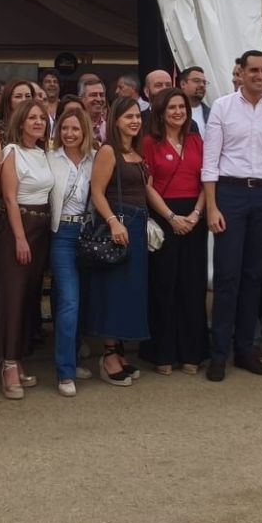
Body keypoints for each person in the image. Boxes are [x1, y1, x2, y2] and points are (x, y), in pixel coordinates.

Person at [200, 50, 262, 382]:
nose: (260, 75)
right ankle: (219, 353)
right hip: (231, 193)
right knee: (227, 277)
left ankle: (245, 349)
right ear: (240, 72)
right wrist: (212, 206)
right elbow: (210, 161)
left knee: (254, 276)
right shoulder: (223, 107)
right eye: (253, 69)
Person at [84, 96, 153, 385]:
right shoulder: (109, 151)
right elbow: (97, 191)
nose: (134, 121)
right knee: (113, 292)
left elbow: (148, 191)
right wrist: (113, 222)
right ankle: (108, 354)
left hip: (137, 226)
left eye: (137, 116)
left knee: (130, 292)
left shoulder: (136, 152)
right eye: (128, 117)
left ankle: (120, 349)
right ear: (116, 121)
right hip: (118, 225)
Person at [143, 87, 208, 375]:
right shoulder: (149, 142)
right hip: (164, 217)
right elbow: (147, 185)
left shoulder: (196, 141)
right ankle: (163, 353)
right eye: (171, 108)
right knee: (164, 285)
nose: (178, 112)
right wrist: (171, 217)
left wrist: (195, 214)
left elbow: (208, 179)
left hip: (195, 216)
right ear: (160, 112)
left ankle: (192, 352)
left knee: (192, 286)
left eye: (182, 107)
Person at [0, 98, 54, 397]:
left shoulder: (44, 153)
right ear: (20, 121)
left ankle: (18, 356)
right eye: (32, 118)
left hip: (42, 230)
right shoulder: (11, 152)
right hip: (19, 228)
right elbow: (9, 198)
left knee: (29, 297)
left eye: (42, 118)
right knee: (13, 296)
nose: (38, 122)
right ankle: (8, 363)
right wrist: (19, 238)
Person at [46, 104, 98, 395]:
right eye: (64, 128)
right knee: (69, 300)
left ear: (85, 131)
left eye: (75, 128)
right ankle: (64, 372)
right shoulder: (50, 158)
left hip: (89, 233)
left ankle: (75, 357)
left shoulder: (95, 158)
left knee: (84, 298)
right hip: (62, 234)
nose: (69, 133)